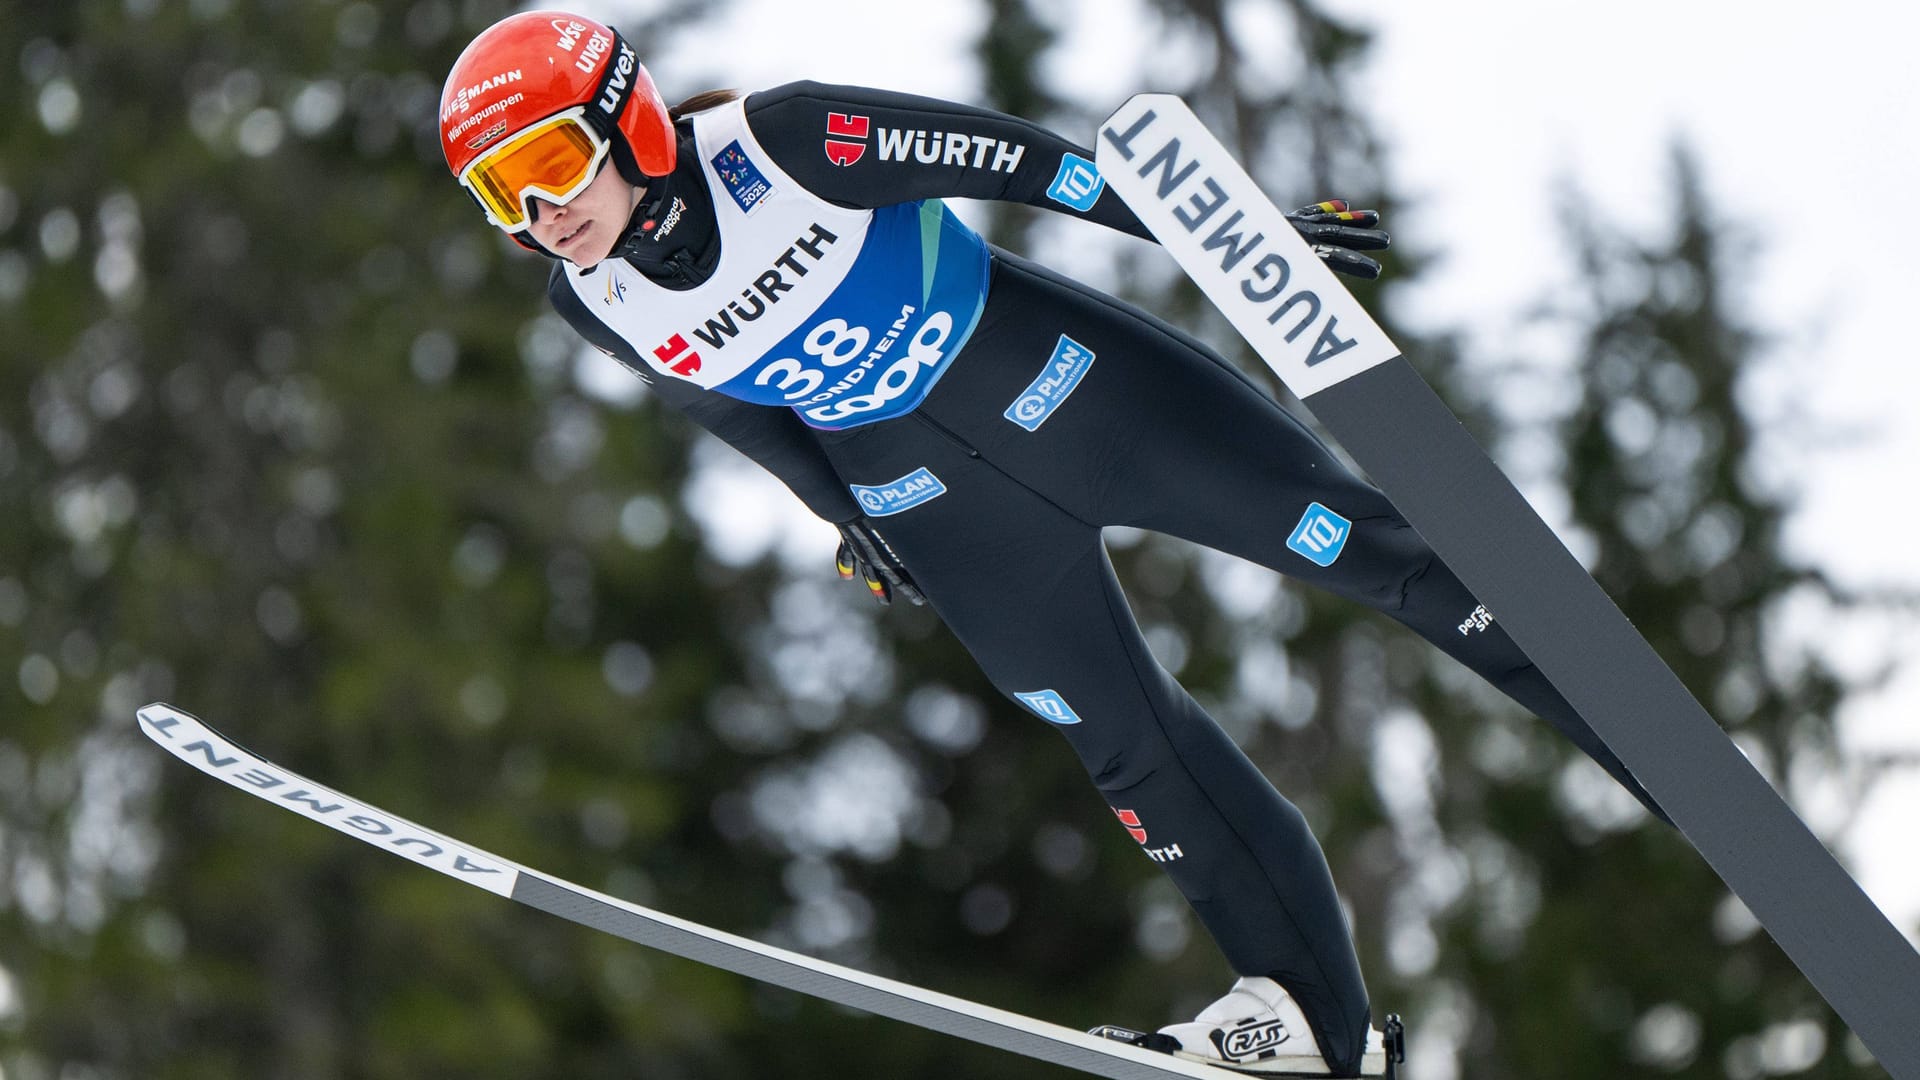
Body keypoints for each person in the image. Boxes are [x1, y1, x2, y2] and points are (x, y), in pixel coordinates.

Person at [438, 12, 1668, 1077]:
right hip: (940, 510)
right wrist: (846, 515)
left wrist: (1234, 246)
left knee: (1375, 555)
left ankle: (1658, 751)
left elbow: (1041, 170)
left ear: (630, 120)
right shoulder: (591, 299)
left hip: (1079, 393)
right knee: (1128, 751)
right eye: (504, 192)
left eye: (551, 162)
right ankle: (1308, 1022)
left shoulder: (792, 140)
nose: (545, 214)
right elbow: (730, 410)